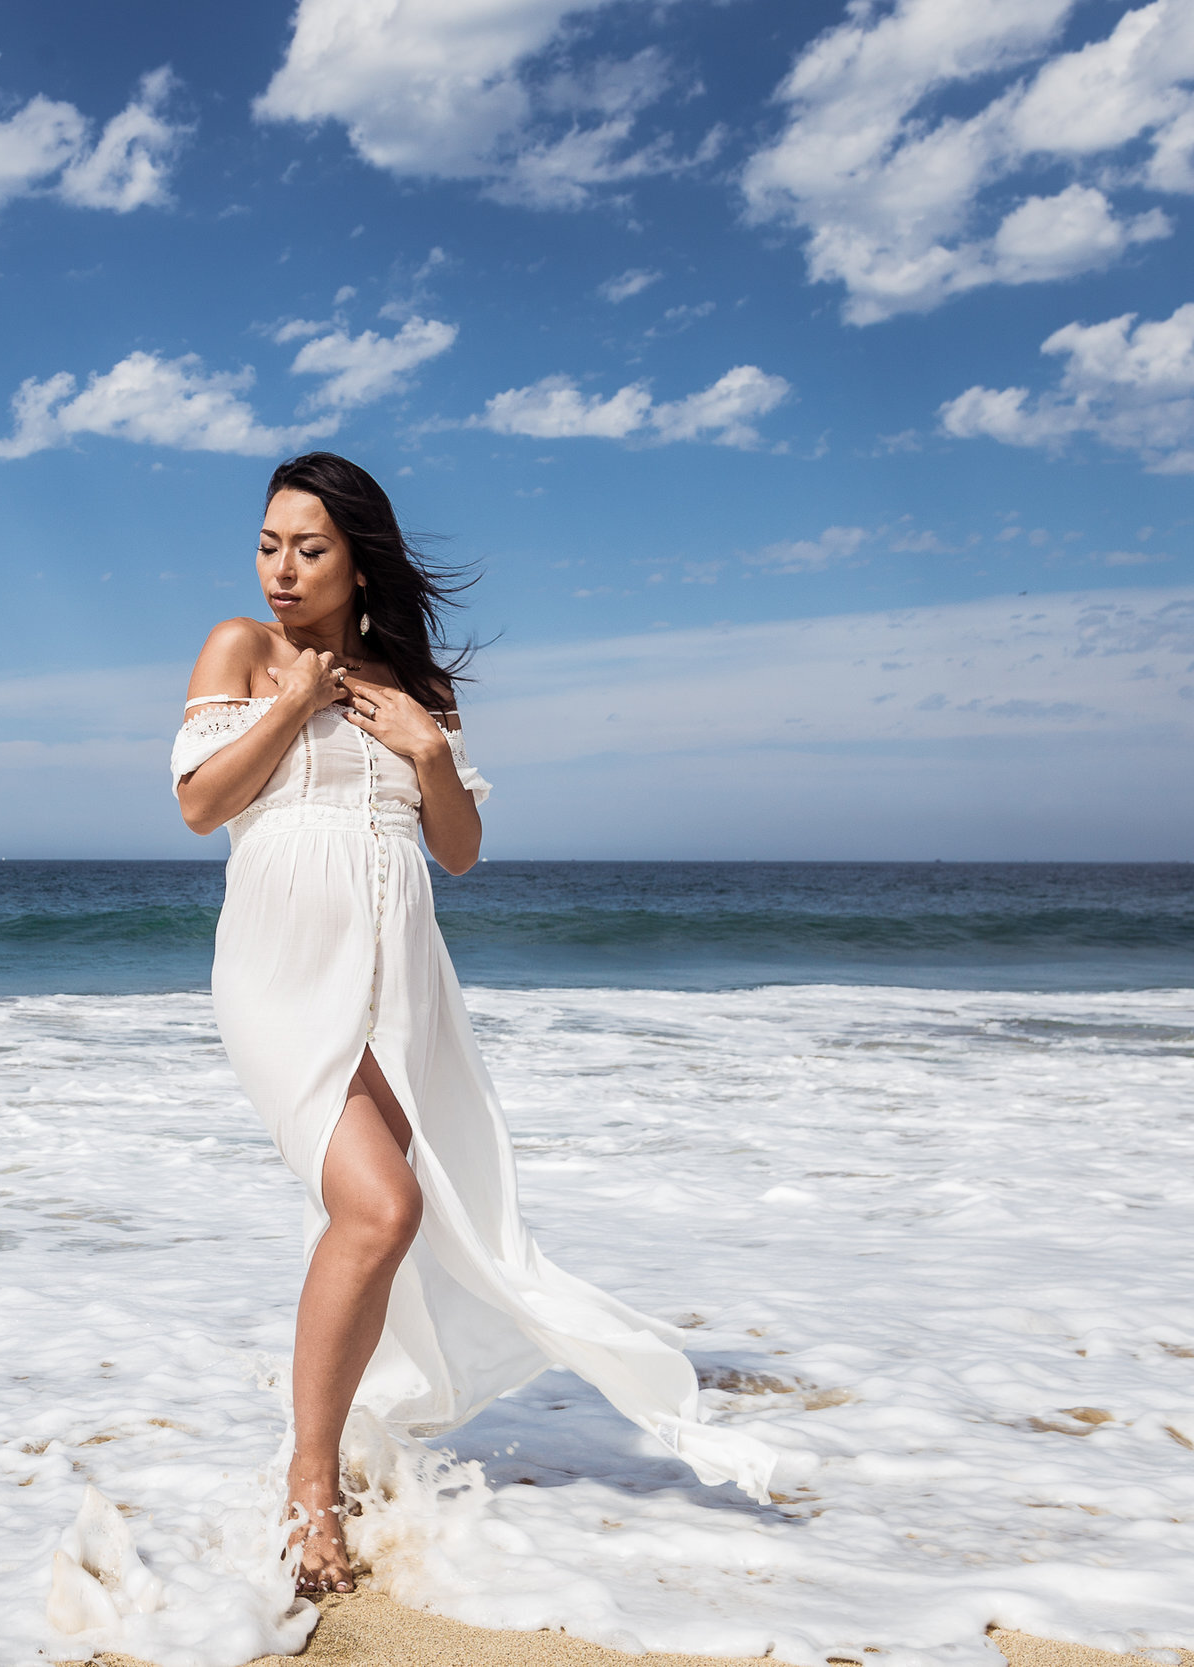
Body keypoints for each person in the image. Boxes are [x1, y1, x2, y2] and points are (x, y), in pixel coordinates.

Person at [171, 452, 776, 1596]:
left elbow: (457, 848)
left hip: (398, 970)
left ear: (358, 560)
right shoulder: (238, 651)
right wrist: (293, 704)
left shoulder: (413, 687)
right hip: (281, 965)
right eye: (267, 545)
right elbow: (201, 803)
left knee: (364, 1221)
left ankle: (329, 1444)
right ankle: (310, 1486)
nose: (282, 571)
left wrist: (430, 749)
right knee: (380, 1204)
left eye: (309, 548)